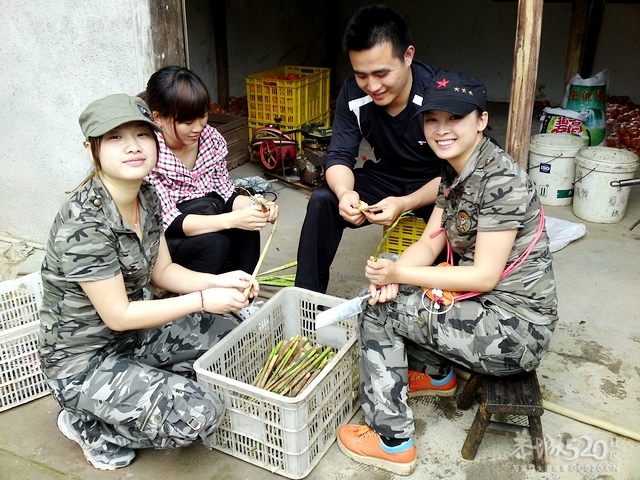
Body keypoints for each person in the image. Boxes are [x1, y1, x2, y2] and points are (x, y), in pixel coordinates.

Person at [335, 72, 559, 476]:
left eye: (454, 119)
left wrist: (401, 276)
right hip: (486, 309)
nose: (441, 130)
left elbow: (484, 277)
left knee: (378, 312)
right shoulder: (455, 171)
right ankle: (437, 375)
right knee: (393, 289)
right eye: (431, 119)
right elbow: (430, 243)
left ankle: (392, 440)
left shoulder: (500, 180)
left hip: (516, 330)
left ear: (481, 121)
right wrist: (394, 271)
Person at [38, 94, 259, 471]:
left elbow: (163, 273)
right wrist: (204, 299)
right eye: (115, 138)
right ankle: (88, 422)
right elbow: (119, 315)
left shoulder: (146, 194)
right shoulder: (85, 224)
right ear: (92, 150)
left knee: (233, 331)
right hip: (85, 364)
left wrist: (221, 281)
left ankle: (141, 386)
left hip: (134, 339)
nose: (133, 147)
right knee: (199, 415)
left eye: (142, 135)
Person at [295, 4, 445, 294]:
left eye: (381, 73)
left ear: (408, 56)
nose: (372, 86)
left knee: (452, 236)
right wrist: (344, 193)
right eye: (361, 75)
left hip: (439, 181)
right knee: (323, 200)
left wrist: (404, 203)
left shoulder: (437, 94)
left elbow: (459, 175)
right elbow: (339, 155)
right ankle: (306, 303)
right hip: (388, 176)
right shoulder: (354, 94)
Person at [143, 66, 279, 275]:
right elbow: (170, 222)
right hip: (169, 237)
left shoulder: (210, 139)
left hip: (209, 213)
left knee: (247, 229)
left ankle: (240, 298)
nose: (198, 127)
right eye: (187, 121)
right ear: (158, 117)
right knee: (215, 244)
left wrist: (257, 206)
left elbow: (226, 194)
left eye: (203, 116)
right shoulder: (150, 154)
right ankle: (197, 304)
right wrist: (231, 220)